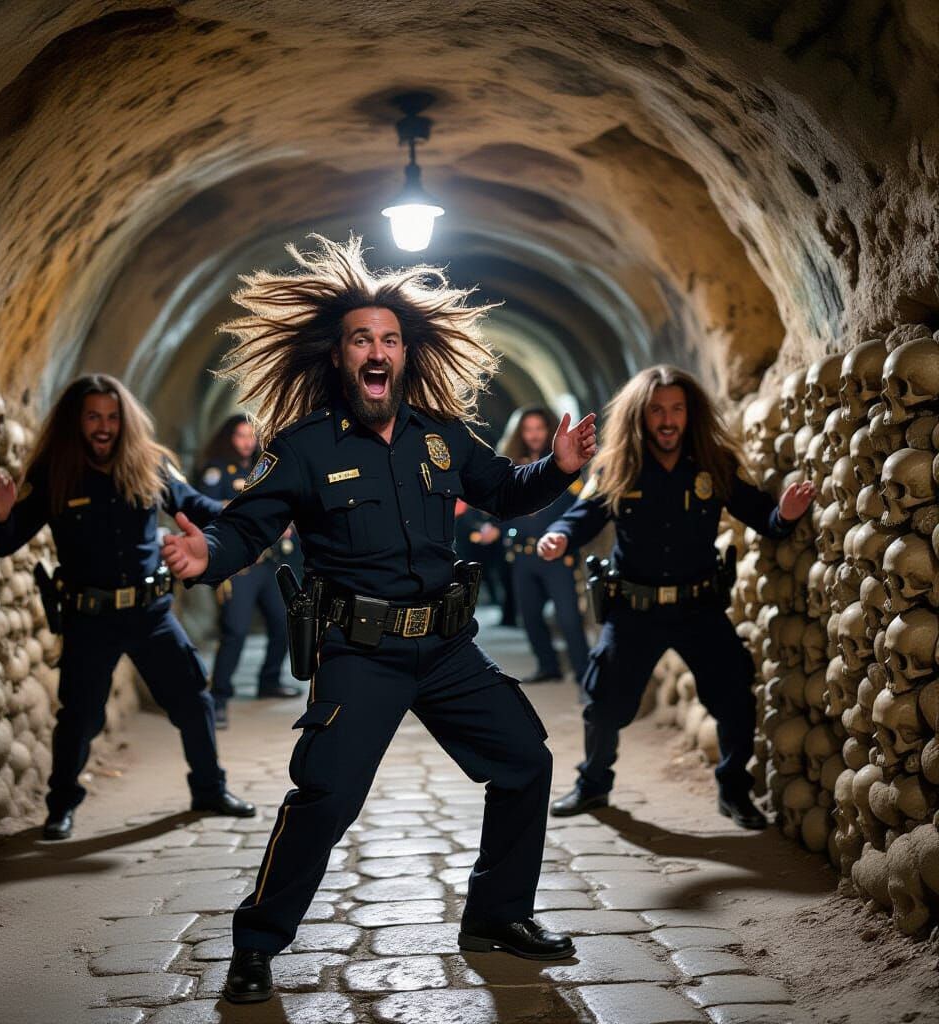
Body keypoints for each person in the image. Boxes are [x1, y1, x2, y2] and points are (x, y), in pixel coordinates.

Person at [162, 235, 597, 1003]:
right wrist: (209, 556)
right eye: (362, 338)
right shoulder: (302, 449)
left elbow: (503, 488)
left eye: (390, 339)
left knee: (526, 760)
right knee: (324, 797)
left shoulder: (442, 436)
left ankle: (498, 916)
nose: (378, 350)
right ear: (340, 356)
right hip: (359, 652)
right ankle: (256, 942)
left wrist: (557, 469)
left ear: (406, 354)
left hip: (447, 646)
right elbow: (247, 526)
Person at [538, 365, 815, 829]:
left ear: (690, 413)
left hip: (698, 606)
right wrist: (557, 536)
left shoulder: (713, 463)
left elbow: (759, 515)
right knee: (604, 701)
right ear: (640, 416)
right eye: (656, 410)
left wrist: (784, 515)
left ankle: (733, 790)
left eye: (676, 409)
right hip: (634, 609)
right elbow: (580, 518)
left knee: (733, 695)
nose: (667, 420)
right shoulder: (618, 466)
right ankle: (593, 784)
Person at [0, 374, 255, 841]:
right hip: (89, 618)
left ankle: (209, 790)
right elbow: (7, 543)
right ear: (77, 421)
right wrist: (3, 514)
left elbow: (200, 507)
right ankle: (60, 807)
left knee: (193, 699)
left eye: (111, 417)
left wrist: (251, 515)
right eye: (93, 417)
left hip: (150, 614)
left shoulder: (149, 466)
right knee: (80, 718)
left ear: (124, 420)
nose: (104, 426)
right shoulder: (55, 473)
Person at [196, 415, 299, 727]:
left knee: (284, 623)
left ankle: (269, 680)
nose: (247, 442)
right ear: (229, 437)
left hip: (266, 563)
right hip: (238, 568)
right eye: (241, 435)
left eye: (251, 436)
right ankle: (219, 698)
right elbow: (205, 508)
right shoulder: (217, 472)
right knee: (236, 631)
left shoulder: (263, 468)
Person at [499, 406, 590, 684]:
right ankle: (548, 666)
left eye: (539, 428)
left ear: (548, 429)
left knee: (569, 618)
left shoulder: (563, 464)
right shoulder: (511, 465)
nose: (534, 434)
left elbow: (580, 504)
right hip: (523, 554)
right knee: (530, 617)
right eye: (528, 429)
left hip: (556, 555)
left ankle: (584, 674)